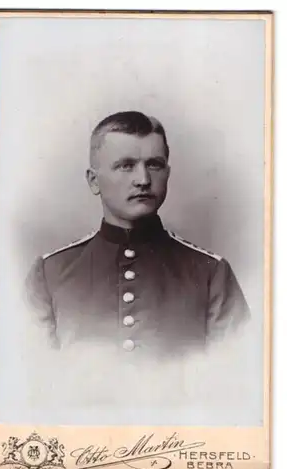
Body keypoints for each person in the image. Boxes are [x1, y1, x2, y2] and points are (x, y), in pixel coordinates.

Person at [25, 111, 250, 358]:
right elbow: (33, 378)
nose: (143, 180)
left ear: (167, 173)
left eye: (154, 165)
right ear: (93, 181)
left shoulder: (211, 274)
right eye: (125, 166)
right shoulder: (50, 274)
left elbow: (234, 379)